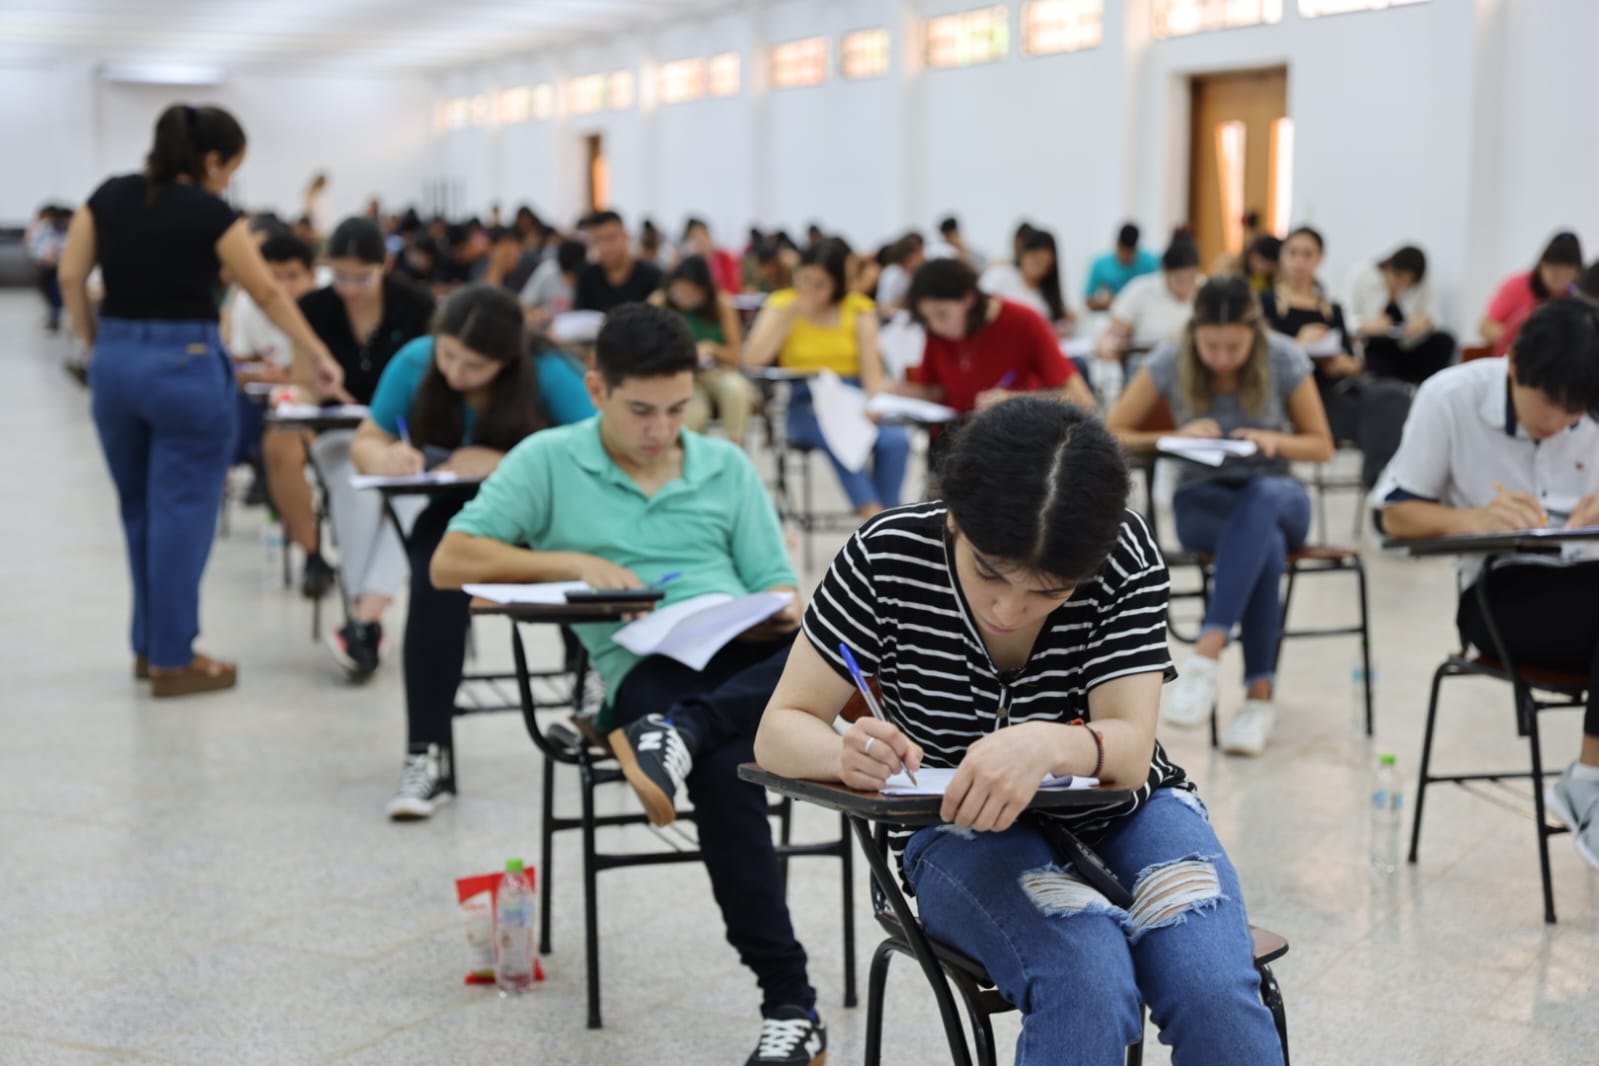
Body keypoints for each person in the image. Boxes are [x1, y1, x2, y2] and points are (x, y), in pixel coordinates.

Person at [754, 398, 1286, 1065]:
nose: (1010, 609)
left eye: (1050, 590)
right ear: (953, 515)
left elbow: (1126, 749)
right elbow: (779, 729)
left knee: (1213, 992)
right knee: (1085, 981)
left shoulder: (1121, 552)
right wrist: (844, 752)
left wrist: (1050, 743)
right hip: (953, 826)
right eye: (988, 572)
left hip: (1126, 811)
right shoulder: (885, 555)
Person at [430, 303, 828, 1065]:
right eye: (641, 410)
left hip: (744, 657)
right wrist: (570, 564)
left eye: (678, 410)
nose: (661, 429)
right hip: (645, 668)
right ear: (595, 388)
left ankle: (678, 736)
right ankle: (791, 1002)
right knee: (728, 770)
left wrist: (774, 612)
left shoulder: (723, 466)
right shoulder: (548, 459)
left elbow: (777, 586)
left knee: (838, 646)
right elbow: (452, 561)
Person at [57, 103, 343, 697]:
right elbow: (263, 288)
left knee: (139, 510)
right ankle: (173, 657)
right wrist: (313, 347)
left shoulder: (106, 196)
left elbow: (70, 277)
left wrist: (98, 344)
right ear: (211, 160)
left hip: (117, 364)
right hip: (184, 367)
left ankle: (149, 645)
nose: (228, 182)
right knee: (182, 515)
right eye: (230, 169)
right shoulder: (213, 212)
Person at [349, 285, 594, 819]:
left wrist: (506, 461)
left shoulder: (551, 374)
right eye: (448, 355)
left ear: (507, 361)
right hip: (458, 511)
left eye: (474, 365)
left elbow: (597, 458)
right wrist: (383, 456)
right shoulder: (415, 362)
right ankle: (424, 754)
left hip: (549, 514)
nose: (456, 372)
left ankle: (597, 692)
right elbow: (365, 437)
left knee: (586, 563)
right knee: (435, 575)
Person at [1375, 297, 1599, 871]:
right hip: (1500, 593)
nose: (1559, 424)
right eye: (1549, 405)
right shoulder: (1450, 397)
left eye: (1574, 415)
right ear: (1515, 364)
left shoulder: (1585, 406)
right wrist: (1468, 519)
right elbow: (1393, 515)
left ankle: (1586, 781)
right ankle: (1588, 783)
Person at [1107, 276, 1333, 755]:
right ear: (1194, 333)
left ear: (1255, 333)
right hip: (1204, 499)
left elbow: (1322, 445)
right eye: (1211, 346)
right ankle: (1257, 700)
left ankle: (1206, 656)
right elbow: (1114, 433)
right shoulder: (1172, 356)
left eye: (1235, 346)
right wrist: (1177, 435)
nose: (1223, 357)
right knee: (1263, 544)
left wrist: (1275, 442)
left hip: (1280, 494)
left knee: (1265, 496)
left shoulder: (1282, 356)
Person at [264, 216, 435, 674]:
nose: (350, 287)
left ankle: (362, 618)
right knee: (355, 493)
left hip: (403, 434)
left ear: (386, 265)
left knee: (413, 501)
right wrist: (305, 393)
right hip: (340, 433)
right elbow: (302, 383)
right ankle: (367, 618)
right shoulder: (314, 307)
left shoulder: (414, 306)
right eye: (340, 275)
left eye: (362, 276)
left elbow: (434, 384)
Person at [746, 238, 910, 518]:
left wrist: (873, 403)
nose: (808, 289)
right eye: (804, 279)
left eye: (819, 284)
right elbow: (752, 360)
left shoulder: (857, 308)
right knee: (840, 439)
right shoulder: (782, 304)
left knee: (896, 440)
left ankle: (889, 516)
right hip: (805, 401)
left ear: (837, 284)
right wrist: (788, 317)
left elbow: (871, 367)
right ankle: (873, 515)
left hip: (851, 396)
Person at [1260, 226, 1410, 489]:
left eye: (1308, 254)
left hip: (1338, 388)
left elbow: (1354, 362)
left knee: (1395, 395)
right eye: (1293, 253)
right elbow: (1259, 360)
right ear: (1282, 256)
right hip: (1297, 397)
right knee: (1383, 408)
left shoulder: (1331, 309)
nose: (1299, 261)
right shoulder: (1266, 305)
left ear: (1319, 259)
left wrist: (1341, 364)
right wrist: (1298, 346)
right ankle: (1381, 484)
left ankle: (1384, 480)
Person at [901, 257, 1095, 417]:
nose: (935, 325)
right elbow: (937, 392)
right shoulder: (937, 332)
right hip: (949, 440)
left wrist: (1016, 400)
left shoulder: (1025, 322)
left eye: (942, 314)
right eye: (927, 319)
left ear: (969, 299)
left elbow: (1082, 400)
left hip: (1009, 442)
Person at [227, 234, 320, 490]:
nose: (283, 287)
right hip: (266, 405)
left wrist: (294, 378)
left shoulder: (328, 305)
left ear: (313, 276)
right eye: (274, 277)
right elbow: (236, 365)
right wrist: (259, 375)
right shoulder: (247, 304)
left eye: (293, 276)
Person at [650, 255, 756, 447]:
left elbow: (736, 356)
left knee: (736, 390)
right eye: (680, 290)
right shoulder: (660, 303)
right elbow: (648, 349)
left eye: (691, 292)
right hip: (678, 376)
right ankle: (692, 461)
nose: (685, 297)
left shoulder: (722, 304)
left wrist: (712, 349)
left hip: (716, 371)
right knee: (693, 414)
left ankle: (736, 454)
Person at [1347, 245, 1455, 384]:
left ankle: (1427, 389)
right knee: (1377, 361)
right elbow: (1345, 317)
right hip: (1374, 347)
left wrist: (1423, 322)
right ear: (1389, 267)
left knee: (1444, 340)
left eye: (1408, 283)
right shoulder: (1362, 274)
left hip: (1407, 347)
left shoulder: (1420, 283)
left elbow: (1434, 316)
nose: (1402, 285)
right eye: (1398, 278)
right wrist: (1368, 326)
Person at [1096, 230, 1204, 365]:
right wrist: (1108, 344)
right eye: (1179, 281)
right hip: (1145, 365)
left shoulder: (1205, 290)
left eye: (1192, 279)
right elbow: (1113, 331)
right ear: (1164, 272)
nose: (1186, 287)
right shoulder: (1140, 290)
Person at [1479, 231, 1584, 359]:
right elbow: (1485, 327)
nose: (1558, 278)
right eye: (1553, 270)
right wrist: (1520, 339)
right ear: (1541, 265)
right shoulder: (1517, 285)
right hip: (1516, 360)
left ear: (1577, 273)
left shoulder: (1579, 296)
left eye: (1566, 273)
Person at [980, 226, 1075, 336]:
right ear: (1023, 254)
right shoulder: (999, 276)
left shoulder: (1047, 295)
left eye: (1044, 263)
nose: (1038, 267)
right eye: (1035, 259)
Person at [573, 210, 664, 313]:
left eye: (611, 238)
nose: (605, 247)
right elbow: (580, 316)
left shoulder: (653, 276)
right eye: (598, 240)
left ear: (625, 236)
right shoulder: (588, 276)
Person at [1085, 222, 1161, 312]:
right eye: (1123, 250)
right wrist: (1104, 303)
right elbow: (1088, 300)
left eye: (1130, 252)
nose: (1126, 256)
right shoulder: (1100, 265)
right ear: (1117, 244)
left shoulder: (1151, 262)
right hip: (1110, 313)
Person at [519, 238, 585, 329]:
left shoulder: (586, 276)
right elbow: (525, 303)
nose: (570, 281)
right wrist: (536, 313)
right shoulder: (547, 271)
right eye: (567, 276)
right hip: (544, 328)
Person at [26, 204, 68, 332]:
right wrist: (40, 258)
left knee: (56, 291)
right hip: (45, 265)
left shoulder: (67, 230)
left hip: (59, 265)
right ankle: (53, 312)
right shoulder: (44, 228)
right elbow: (35, 245)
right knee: (46, 289)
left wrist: (58, 255)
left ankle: (55, 316)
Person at [681, 217, 741, 294]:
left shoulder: (724, 257)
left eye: (703, 234)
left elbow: (732, 286)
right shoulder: (688, 262)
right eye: (694, 236)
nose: (700, 239)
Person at [874, 232, 925, 315]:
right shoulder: (891, 274)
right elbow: (883, 307)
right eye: (919, 253)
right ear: (909, 257)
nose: (923, 256)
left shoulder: (923, 272)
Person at [476, 226, 537, 293]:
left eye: (518, 250)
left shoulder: (526, 273)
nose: (514, 255)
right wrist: (497, 269)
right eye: (507, 252)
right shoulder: (479, 271)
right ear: (491, 250)